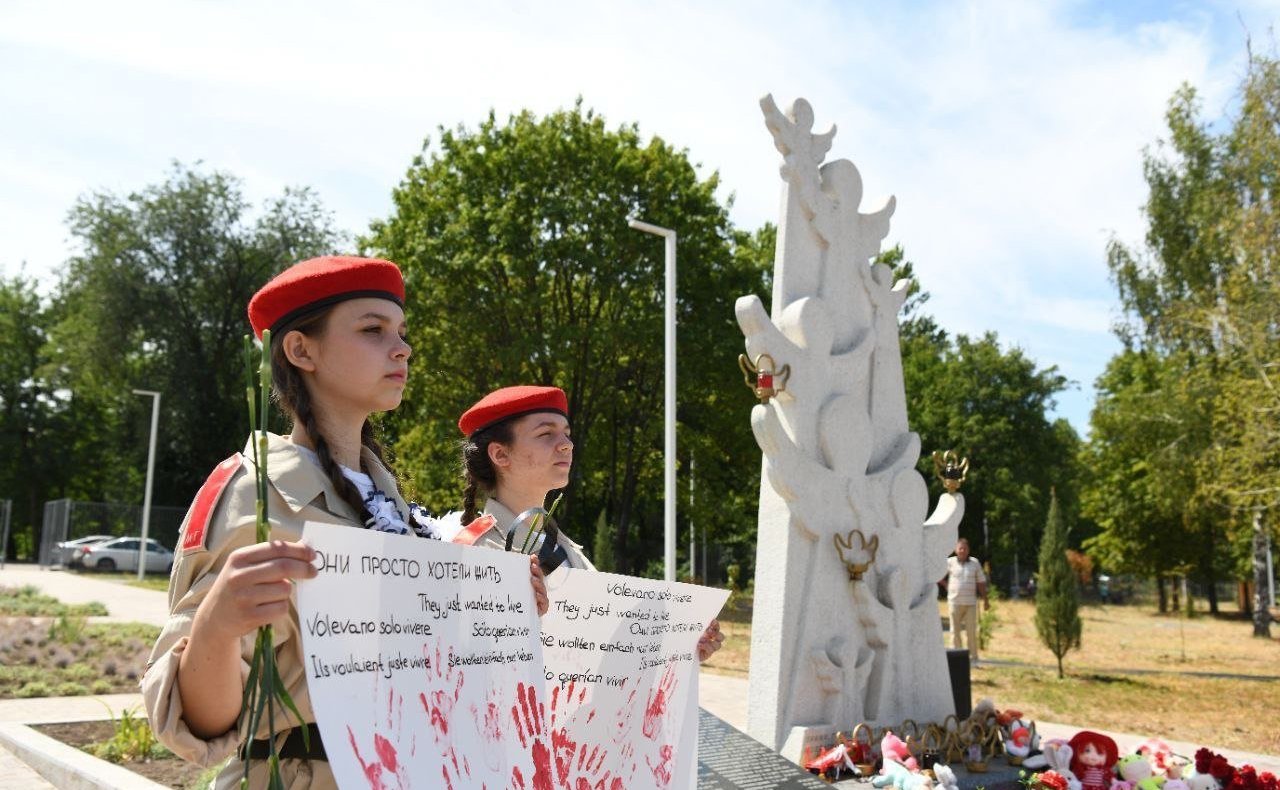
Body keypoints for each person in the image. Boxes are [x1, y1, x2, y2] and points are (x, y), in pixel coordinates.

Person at [142, 257, 549, 789]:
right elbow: (196, 724)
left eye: (401, 333)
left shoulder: (388, 503)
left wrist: (503, 611)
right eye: (372, 331)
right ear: (301, 350)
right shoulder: (257, 492)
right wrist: (215, 628)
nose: (401, 348)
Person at [452, 384, 725, 661]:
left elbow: (600, 650)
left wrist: (681, 648)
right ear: (500, 455)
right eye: (546, 433)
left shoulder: (563, 547)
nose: (567, 444)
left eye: (567, 434)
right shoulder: (474, 552)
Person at [939, 537, 988, 661]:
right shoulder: (950, 562)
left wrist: (985, 600)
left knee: (971, 632)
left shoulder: (975, 563)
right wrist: (945, 585)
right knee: (954, 632)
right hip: (954, 602)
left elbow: (981, 582)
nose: (962, 550)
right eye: (960, 548)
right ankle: (956, 659)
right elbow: (937, 574)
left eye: (965, 548)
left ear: (968, 550)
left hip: (970, 604)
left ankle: (973, 658)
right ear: (956, 550)